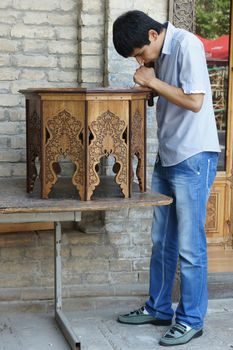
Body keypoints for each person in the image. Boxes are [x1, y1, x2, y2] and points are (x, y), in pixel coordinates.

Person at [112, 10, 220, 347]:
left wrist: (151, 81)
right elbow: (171, 92)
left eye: (141, 53)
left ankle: (190, 320)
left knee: (189, 246)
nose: (141, 61)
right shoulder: (161, 52)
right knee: (162, 240)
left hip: (194, 155)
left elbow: (194, 101)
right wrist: (151, 89)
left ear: (153, 35)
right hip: (168, 155)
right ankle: (159, 307)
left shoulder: (187, 45)